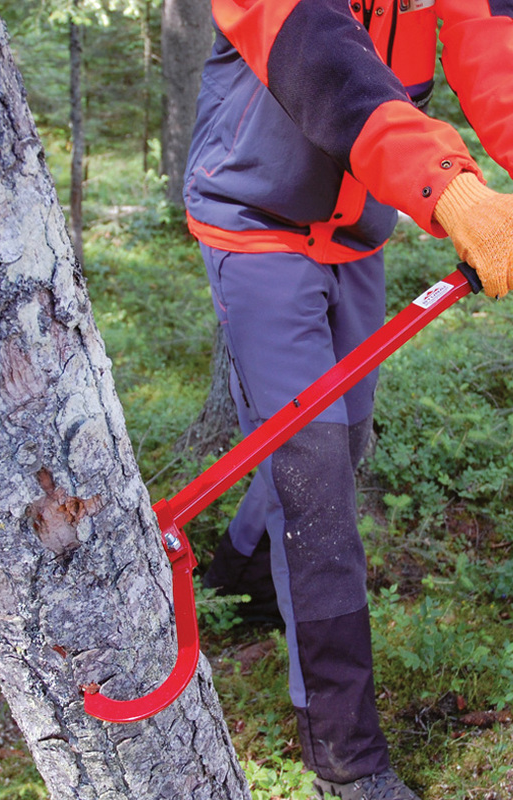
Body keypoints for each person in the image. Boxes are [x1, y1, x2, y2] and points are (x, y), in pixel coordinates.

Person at [183, 2, 513, 799]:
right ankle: (345, 751)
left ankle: (240, 570)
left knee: (342, 439)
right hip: (255, 229)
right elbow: (324, 57)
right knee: (318, 488)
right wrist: (453, 192)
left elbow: (493, 48)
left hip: (357, 234)